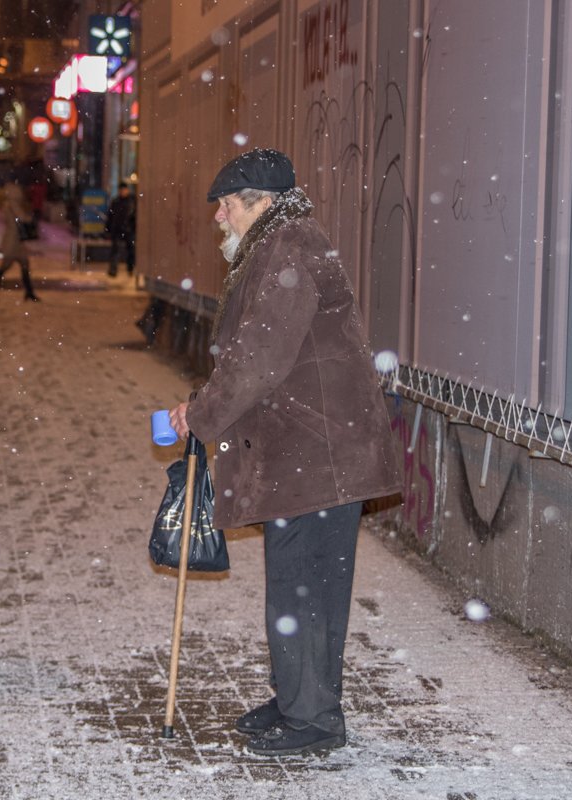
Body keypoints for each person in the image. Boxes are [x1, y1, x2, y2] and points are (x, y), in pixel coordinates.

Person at [168, 148, 400, 757]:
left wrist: (201, 415)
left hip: (319, 454)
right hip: (309, 452)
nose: (220, 218)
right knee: (302, 585)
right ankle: (300, 697)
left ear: (261, 202)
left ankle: (315, 720)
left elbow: (259, 359)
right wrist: (204, 405)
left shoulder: (288, 248)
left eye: (227, 206)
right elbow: (254, 356)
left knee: (305, 587)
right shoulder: (280, 245)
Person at [0, 183, 39, 303]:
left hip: (14, 240)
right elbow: (22, 218)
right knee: (8, 266)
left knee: (21, 265)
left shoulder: (8, 205)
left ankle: (29, 292)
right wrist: (31, 218)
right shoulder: (13, 205)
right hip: (14, 241)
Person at [106, 182, 136, 277]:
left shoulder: (132, 201)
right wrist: (108, 228)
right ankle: (113, 270)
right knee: (115, 250)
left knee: (130, 250)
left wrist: (133, 226)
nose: (123, 192)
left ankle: (130, 268)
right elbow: (110, 216)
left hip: (128, 229)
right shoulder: (116, 201)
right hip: (118, 229)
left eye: (124, 190)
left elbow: (134, 216)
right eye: (121, 190)